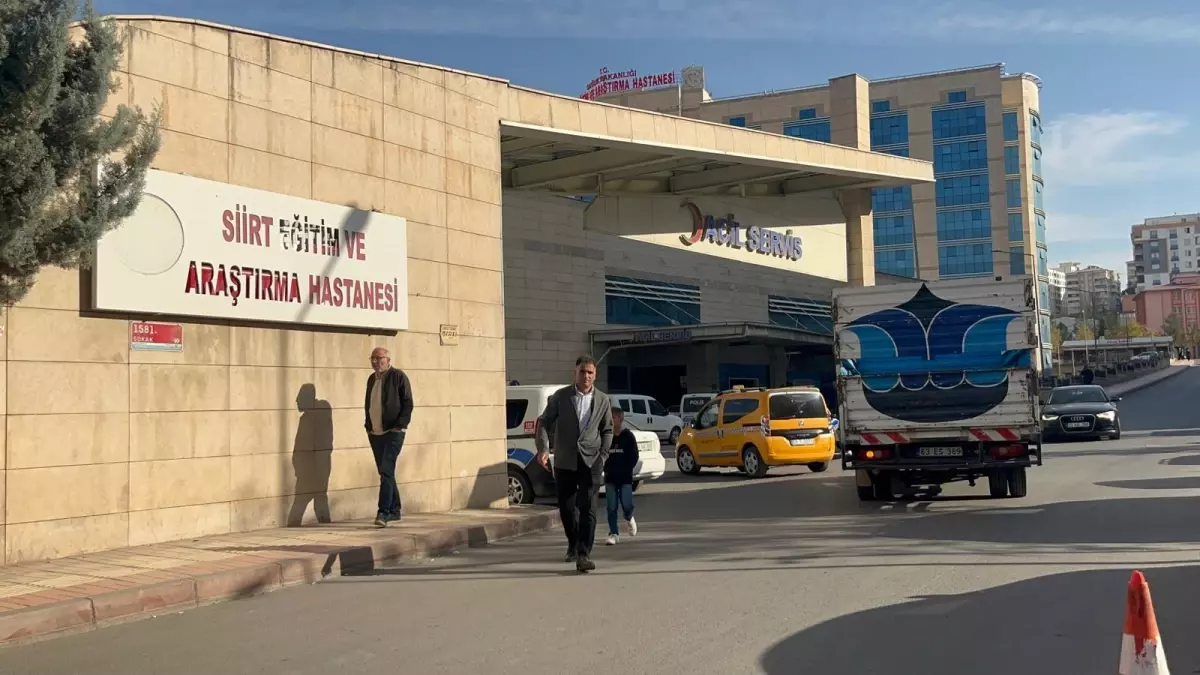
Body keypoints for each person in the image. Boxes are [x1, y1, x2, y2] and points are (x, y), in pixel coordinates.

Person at [535, 355, 614, 573]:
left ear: (595, 375)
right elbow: (544, 422)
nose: (586, 376)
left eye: (590, 372)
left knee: (588, 508)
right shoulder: (561, 397)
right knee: (567, 508)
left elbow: (607, 430)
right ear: (575, 373)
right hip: (565, 460)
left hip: (592, 460)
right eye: (582, 372)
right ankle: (574, 542)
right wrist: (543, 448)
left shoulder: (603, 400)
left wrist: (603, 456)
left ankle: (583, 554)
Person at [364, 347, 414, 528]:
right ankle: (395, 509)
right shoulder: (371, 379)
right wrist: (368, 426)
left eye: (379, 358)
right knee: (386, 472)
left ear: (388, 360)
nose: (375, 362)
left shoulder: (398, 376)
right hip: (375, 433)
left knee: (386, 470)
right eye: (373, 358)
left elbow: (408, 403)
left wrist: (400, 425)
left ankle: (383, 512)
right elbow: (368, 403)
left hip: (393, 432)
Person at [603, 406, 639, 546]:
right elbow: (602, 453)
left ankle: (629, 517)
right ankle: (613, 533)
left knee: (626, 504)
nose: (611, 420)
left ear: (620, 418)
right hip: (610, 477)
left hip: (625, 478)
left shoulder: (628, 436)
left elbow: (634, 456)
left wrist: (627, 468)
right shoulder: (607, 436)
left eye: (613, 417)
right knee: (611, 507)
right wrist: (605, 468)